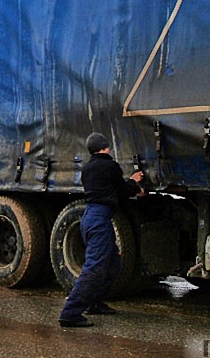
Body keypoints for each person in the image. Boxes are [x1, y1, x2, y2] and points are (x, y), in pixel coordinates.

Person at [58, 132, 145, 328]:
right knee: (95, 268)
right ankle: (70, 313)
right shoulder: (109, 166)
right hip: (99, 220)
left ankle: (94, 302)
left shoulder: (88, 168)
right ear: (106, 147)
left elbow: (108, 189)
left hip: (89, 218)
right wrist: (134, 182)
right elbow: (122, 191)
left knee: (113, 263)